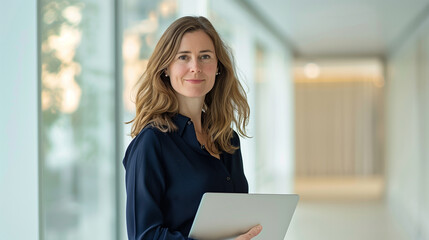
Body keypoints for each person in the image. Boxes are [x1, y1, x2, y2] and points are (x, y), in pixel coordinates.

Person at [123, 16, 262, 240]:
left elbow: (237, 219)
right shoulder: (151, 142)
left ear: (218, 67)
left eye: (205, 56)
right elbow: (144, 235)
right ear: (166, 68)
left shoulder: (228, 139)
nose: (195, 67)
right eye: (183, 57)